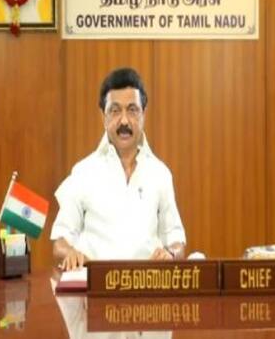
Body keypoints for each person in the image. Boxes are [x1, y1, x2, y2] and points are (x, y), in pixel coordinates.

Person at [51, 68, 186, 271]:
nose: (124, 121)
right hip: (96, 284)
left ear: (143, 114)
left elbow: (177, 240)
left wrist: (171, 253)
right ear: (103, 117)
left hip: (147, 285)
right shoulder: (83, 172)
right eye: (115, 111)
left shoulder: (160, 174)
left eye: (132, 110)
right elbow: (60, 241)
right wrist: (70, 252)